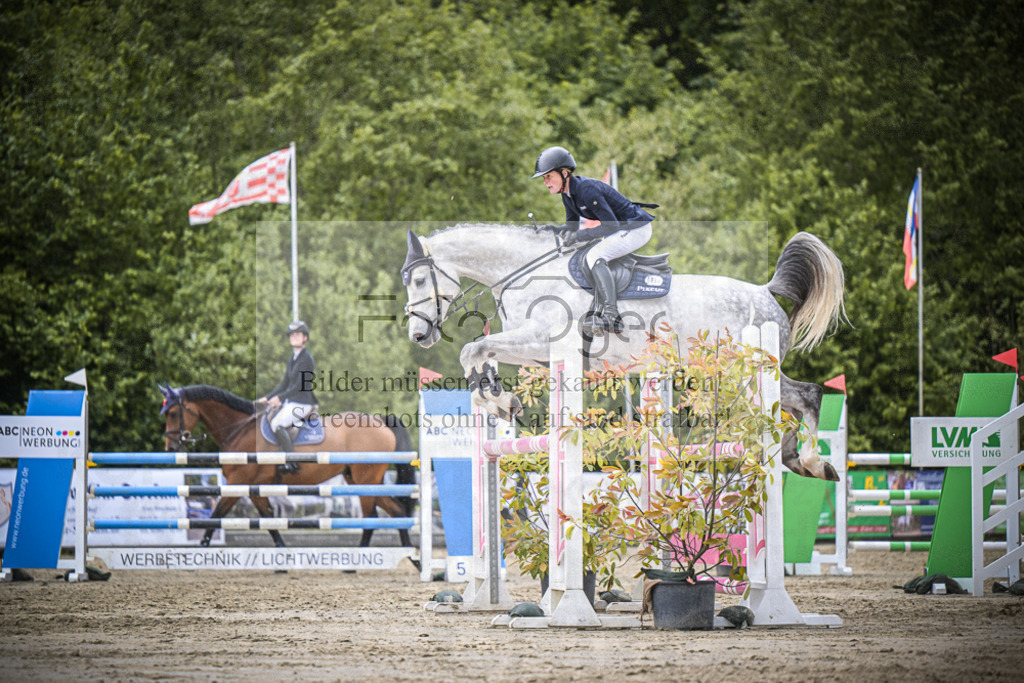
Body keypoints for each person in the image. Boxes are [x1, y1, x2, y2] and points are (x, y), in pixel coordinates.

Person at [533, 145, 656, 333]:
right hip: (621, 228)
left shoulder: (586, 189)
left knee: (594, 256)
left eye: (548, 176)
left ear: (564, 173)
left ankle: (612, 316)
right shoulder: (567, 194)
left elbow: (611, 225)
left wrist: (579, 236)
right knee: (589, 254)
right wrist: (550, 230)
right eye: (544, 178)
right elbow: (571, 227)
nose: (545, 182)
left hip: (636, 228)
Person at [261, 320, 318, 474]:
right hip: (292, 402)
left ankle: (292, 463)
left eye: (297, 334)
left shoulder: (306, 358)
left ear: (305, 338)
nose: (294, 337)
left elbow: (299, 386)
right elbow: (284, 384)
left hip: (303, 403)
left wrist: (279, 398)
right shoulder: (292, 359)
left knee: (276, 424)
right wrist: (267, 398)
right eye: (292, 335)